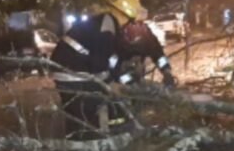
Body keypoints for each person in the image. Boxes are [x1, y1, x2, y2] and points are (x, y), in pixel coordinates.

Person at [50, 12, 131, 140]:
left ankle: (76, 147)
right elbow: (98, 66)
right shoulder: (107, 27)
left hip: (62, 71)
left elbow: (109, 66)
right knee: (99, 103)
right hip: (75, 73)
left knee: (75, 115)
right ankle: (102, 145)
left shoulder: (96, 26)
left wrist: (120, 81)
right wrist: (111, 84)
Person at [115, 8, 176, 89]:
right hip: (119, 84)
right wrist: (128, 82)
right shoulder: (114, 33)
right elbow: (113, 69)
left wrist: (166, 71)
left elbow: (158, 53)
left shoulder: (143, 30)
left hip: (135, 79)